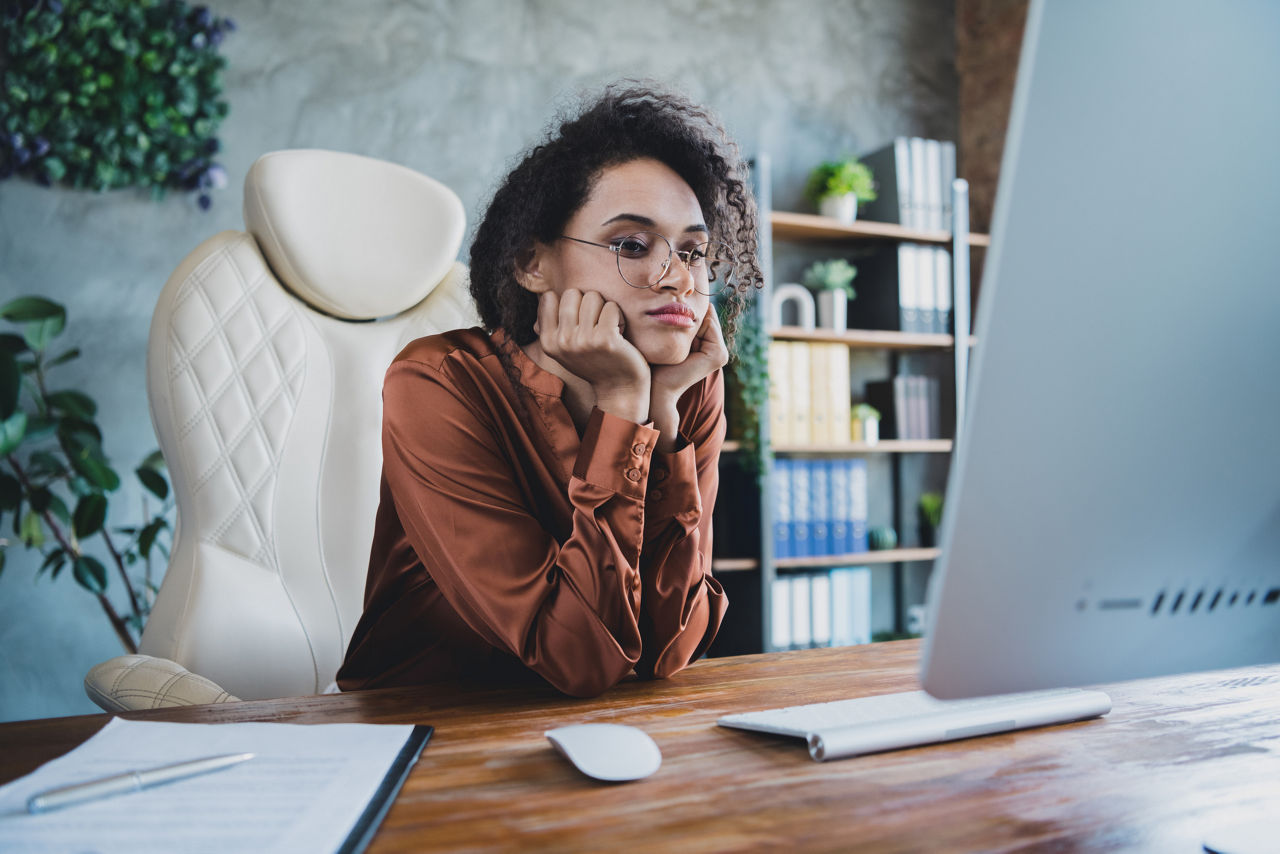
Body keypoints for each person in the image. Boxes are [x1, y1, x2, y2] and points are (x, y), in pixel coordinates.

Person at [337, 83, 762, 698]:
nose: (677, 277)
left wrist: (662, 422)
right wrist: (621, 406)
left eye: (693, 251)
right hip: (429, 733)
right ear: (533, 264)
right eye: (631, 245)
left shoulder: (689, 388)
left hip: (599, 733)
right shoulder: (437, 382)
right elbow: (578, 659)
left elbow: (674, 644)